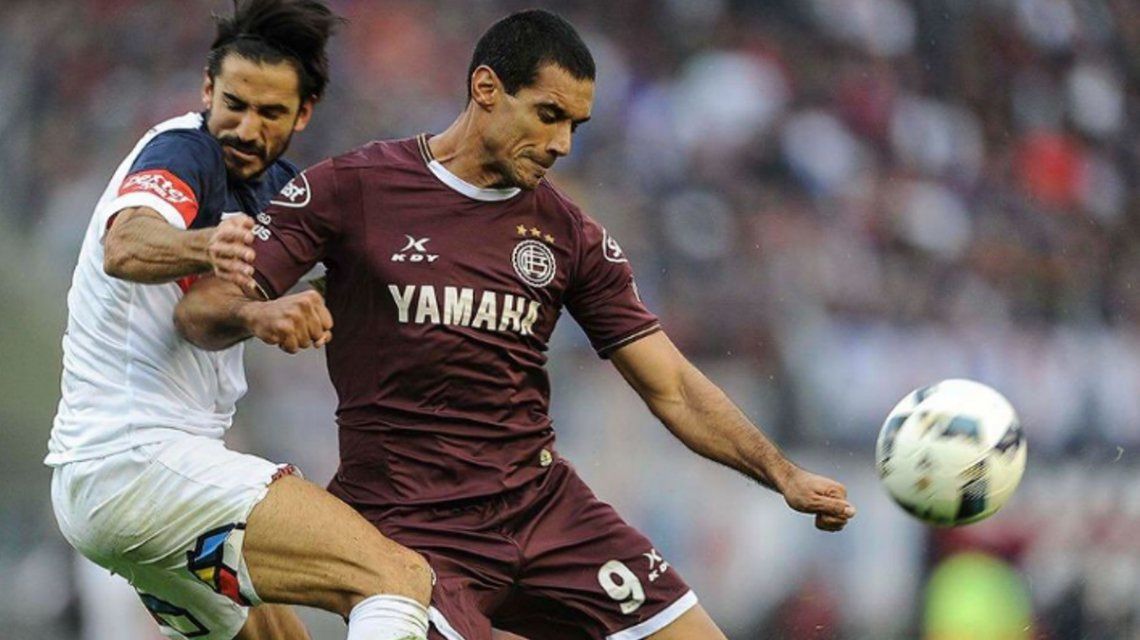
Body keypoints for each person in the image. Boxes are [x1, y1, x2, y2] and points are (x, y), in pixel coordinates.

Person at [177, 9, 856, 639]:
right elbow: (200, 309)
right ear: (486, 88)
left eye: (576, 126)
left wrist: (783, 474)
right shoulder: (350, 189)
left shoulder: (569, 234)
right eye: (549, 115)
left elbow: (671, 385)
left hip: (543, 512)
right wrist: (259, 311)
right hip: (406, 528)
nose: (562, 144)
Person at [46, 1, 434, 639]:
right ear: (207, 89)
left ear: (304, 113)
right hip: (137, 462)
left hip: (137, 488)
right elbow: (127, 244)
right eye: (234, 104)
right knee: (395, 577)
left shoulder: (281, 190)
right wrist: (208, 246)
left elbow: (200, 315)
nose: (246, 129)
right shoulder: (182, 151)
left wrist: (301, 302)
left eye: (271, 113)